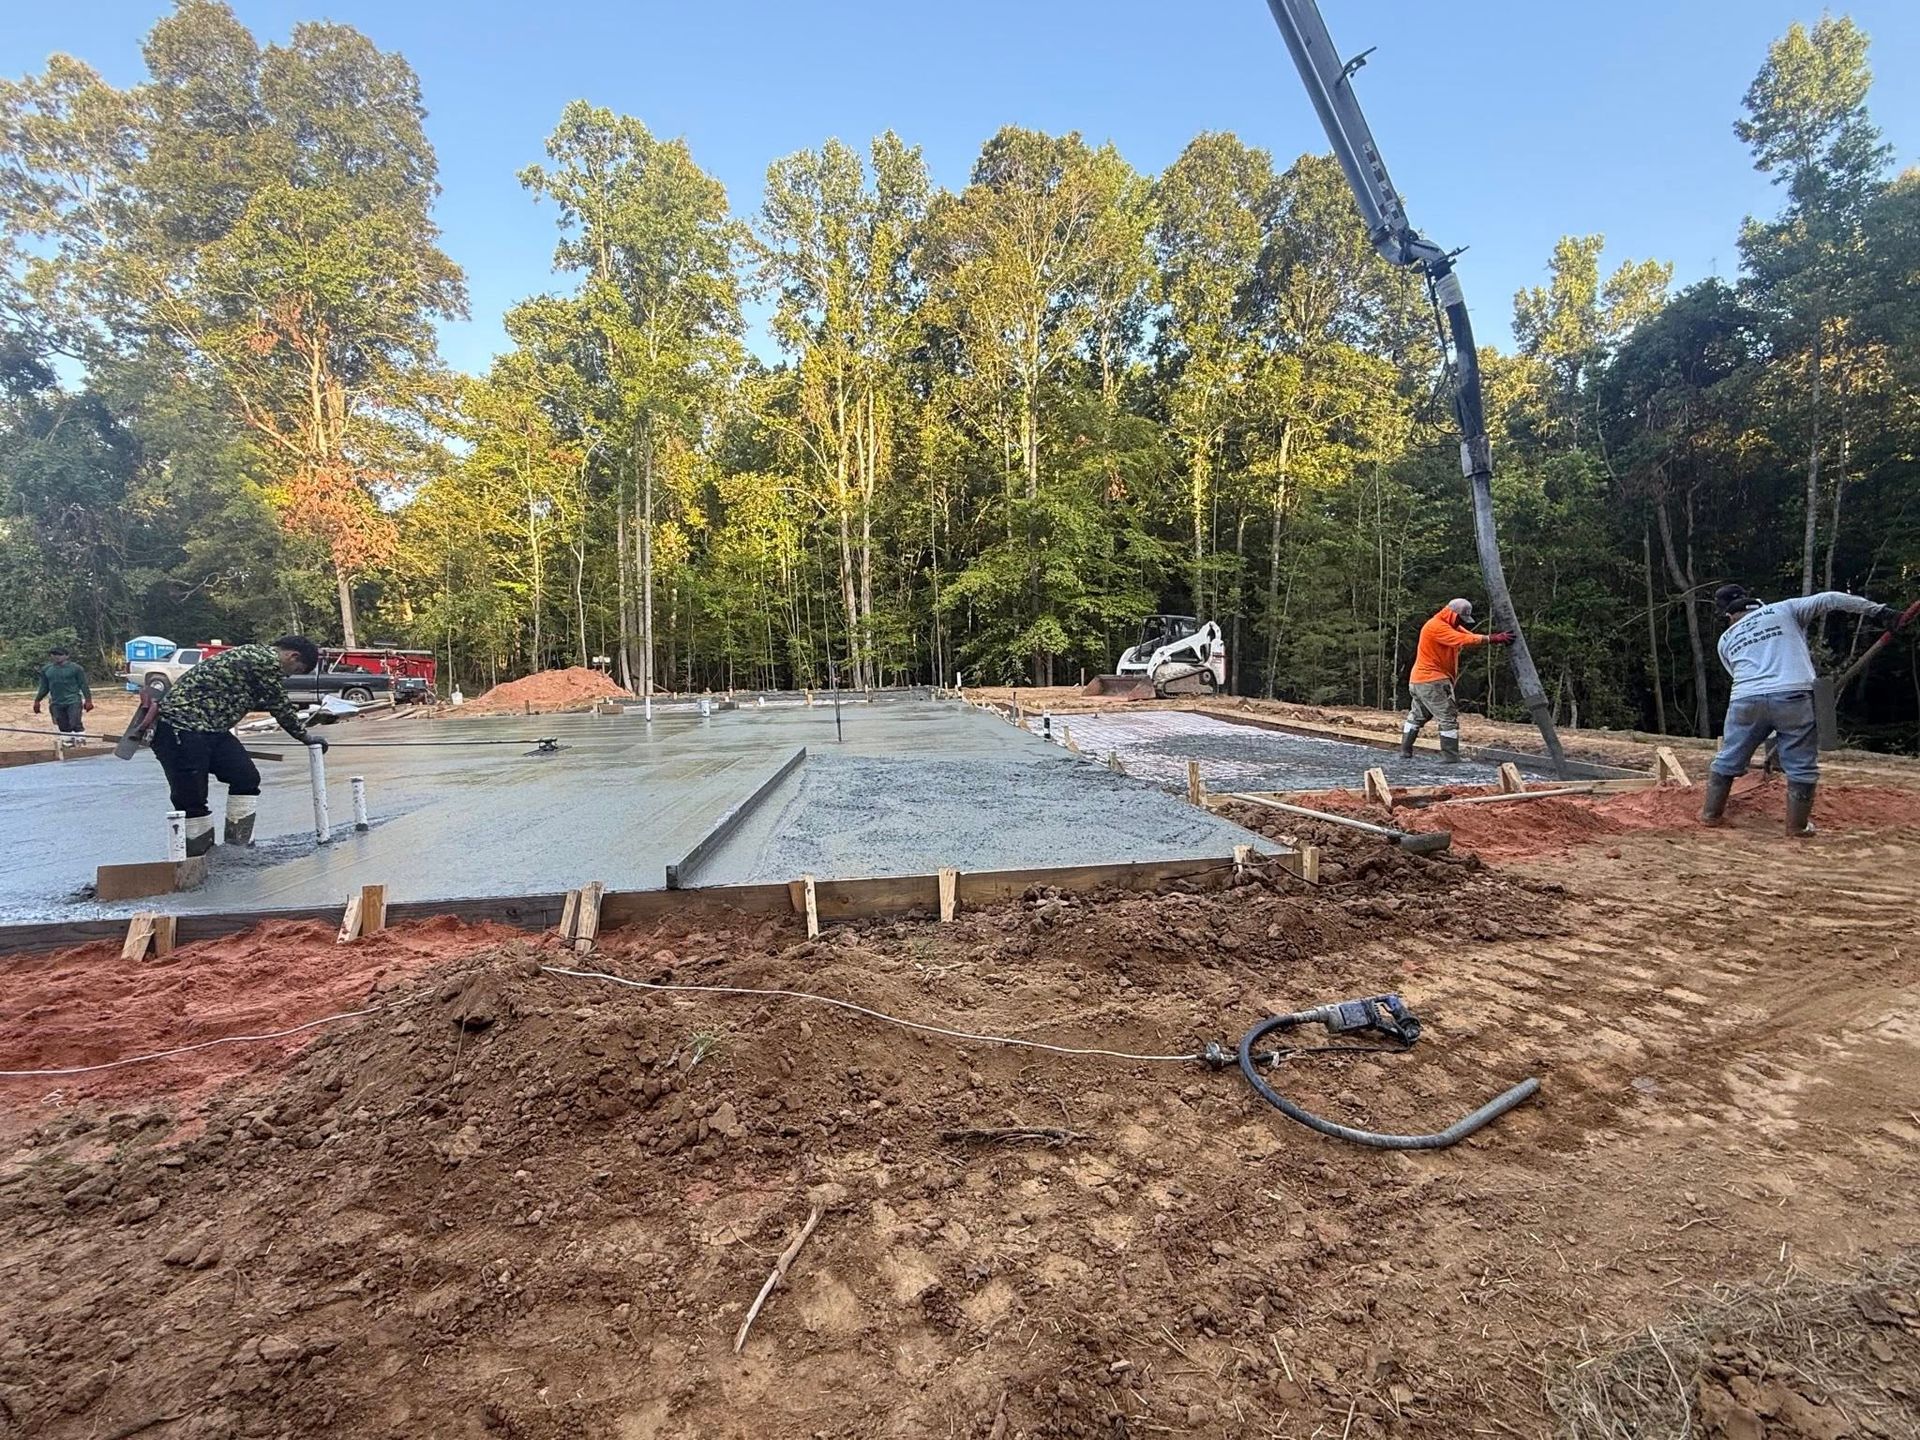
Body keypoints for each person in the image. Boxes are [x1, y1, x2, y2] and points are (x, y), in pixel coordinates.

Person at [1702, 585, 1905, 836]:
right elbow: (1830, 599)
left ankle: (1710, 815)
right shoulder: (1785, 609)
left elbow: (1739, 676)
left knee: (1728, 757)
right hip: (1793, 695)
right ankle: (1797, 828)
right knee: (1800, 764)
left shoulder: (1726, 638)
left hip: (1745, 699)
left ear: (1729, 615)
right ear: (1757, 602)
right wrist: (1881, 612)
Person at [150, 636, 327, 855]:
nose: (289, 676)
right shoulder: (264, 662)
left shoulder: (255, 660)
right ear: (293, 656)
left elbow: (254, 697)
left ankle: (237, 849)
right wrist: (305, 737)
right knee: (192, 796)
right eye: (296, 670)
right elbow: (279, 704)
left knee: (246, 777)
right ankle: (199, 857)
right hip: (180, 727)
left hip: (212, 729)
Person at [1401, 599, 1513, 762]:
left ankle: (1405, 750)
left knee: (1417, 715)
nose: (1461, 623)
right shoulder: (1436, 627)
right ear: (1451, 614)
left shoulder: (1448, 625)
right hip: (1432, 681)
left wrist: (1492, 639)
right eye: (1460, 619)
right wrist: (1492, 638)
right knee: (1447, 717)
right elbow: (1461, 640)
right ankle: (1451, 756)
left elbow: (1468, 636)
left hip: (1420, 681)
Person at [32, 645, 93, 741]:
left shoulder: (76, 668)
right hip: (56, 702)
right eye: (54, 654)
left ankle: (81, 740)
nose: (57, 657)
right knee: (62, 723)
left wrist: (88, 700)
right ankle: (67, 742)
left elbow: (83, 685)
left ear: (66, 656)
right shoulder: (47, 670)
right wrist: (37, 701)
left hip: (73, 700)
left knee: (75, 722)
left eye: (60, 654)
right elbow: (44, 687)